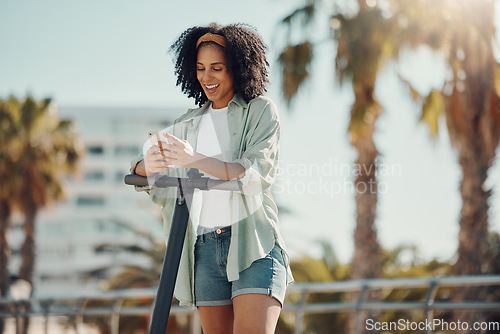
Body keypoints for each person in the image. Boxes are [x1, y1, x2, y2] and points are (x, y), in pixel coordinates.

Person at [130, 23, 293, 334]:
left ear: (238, 68)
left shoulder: (259, 112)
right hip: (203, 249)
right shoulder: (188, 122)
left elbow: (255, 173)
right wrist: (145, 163)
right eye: (201, 68)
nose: (207, 77)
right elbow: (148, 170)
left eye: (216, 68)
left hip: (253, 245)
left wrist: (192, 159)